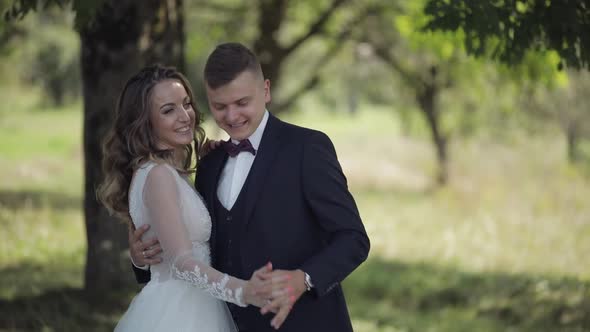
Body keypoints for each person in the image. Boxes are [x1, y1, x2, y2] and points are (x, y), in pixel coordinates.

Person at [131, 42, 370, 331]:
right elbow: (195, 251)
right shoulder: (209, 164)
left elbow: (353, 238)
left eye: (242, 103)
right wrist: (141, 261)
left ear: (266, 90)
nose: (232, 117)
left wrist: (304, 278)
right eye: (220, 106)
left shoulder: (307, 148)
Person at [97, 64, 293, 332]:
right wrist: (244, 291)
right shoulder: (158, 176)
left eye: (186, 104)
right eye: (168, 110)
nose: (185, 116)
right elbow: (181, 262)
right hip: (180, 311)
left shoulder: (168, 172)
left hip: (198, 303)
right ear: (144, 121)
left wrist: (210, 166)